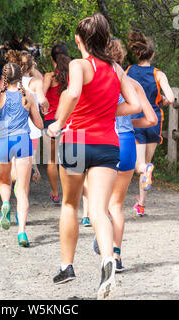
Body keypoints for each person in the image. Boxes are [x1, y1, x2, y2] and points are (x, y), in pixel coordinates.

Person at [47, 13, 141, 300]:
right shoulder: (116, 69)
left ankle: (67, 266)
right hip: (108, 145)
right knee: (99, 209)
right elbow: (135, 104)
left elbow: (73, 93)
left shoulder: (78, 64)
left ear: (79, 41)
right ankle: (107, 260)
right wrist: (107, 111)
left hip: (76, 141)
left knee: (69, 204)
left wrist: (58, 123)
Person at [89, 39, 158, 272]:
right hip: (127, 142)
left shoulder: (95, 81)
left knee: (98, 203)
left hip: (104, 142)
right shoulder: (133, 84)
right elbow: (151, 120)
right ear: (120, 57)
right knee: (116, 205)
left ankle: (103, 245)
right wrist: (128, 120)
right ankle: (116, 256)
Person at [0, 63, 43, 247]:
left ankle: (5, 204)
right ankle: (22, 232)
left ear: (3, 77)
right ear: (20, 77)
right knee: (22, 190)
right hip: (23, 141)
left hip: (4, 141)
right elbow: (39, 125)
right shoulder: (27, 95)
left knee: (4, 183)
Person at [126, 31, 175, 216]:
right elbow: (170, 97)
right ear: (152, 54)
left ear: (137, 54)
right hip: (155, 120)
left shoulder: (129, 71)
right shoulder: (158, 73)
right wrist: (161, 100)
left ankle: (145, 173)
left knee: (141, 166)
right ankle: (141, 205)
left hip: (137, 120)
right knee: (147, 164)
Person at [6, 50, 49, 184]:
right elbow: (42, 100)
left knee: (14, 161)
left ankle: (16, 181)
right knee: (28, 159)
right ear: (31, 66)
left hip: (13, 126)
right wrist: (45, 106)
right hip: (32, 126)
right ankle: (23, 181)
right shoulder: (35, 82)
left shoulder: (9, 81)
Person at [43, 44, 71, 204]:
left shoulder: (49, 77)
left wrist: (45, 107)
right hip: (68, 121)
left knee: (52, 160)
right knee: (67, 160)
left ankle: (55, 194)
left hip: (51, 122)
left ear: (52, 58)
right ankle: (68, 194)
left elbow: (43, 97)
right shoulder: (72, 76)